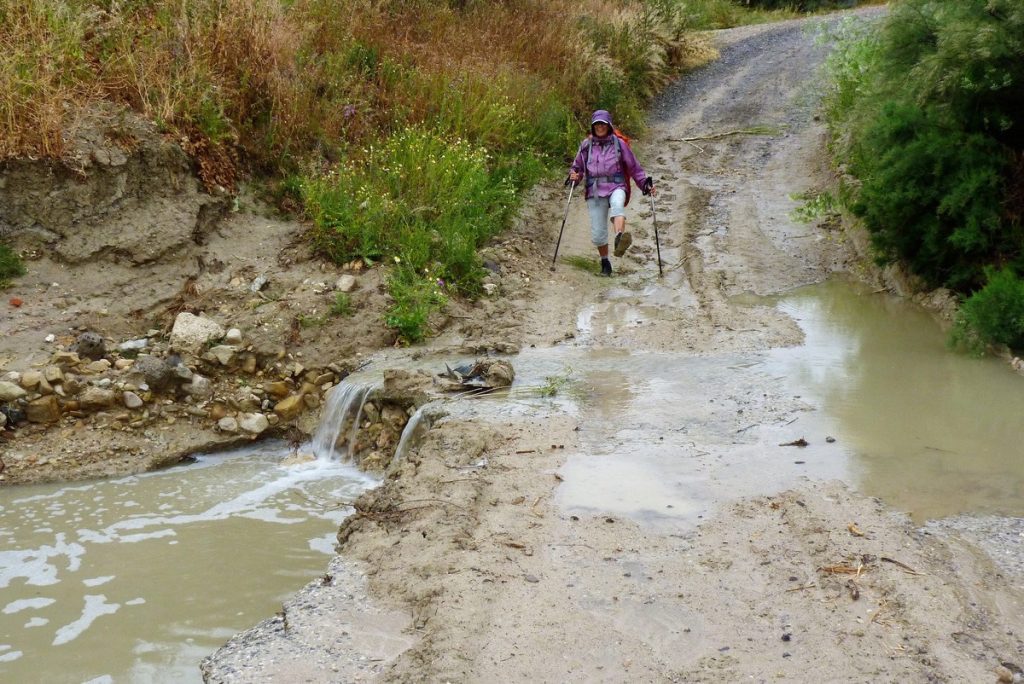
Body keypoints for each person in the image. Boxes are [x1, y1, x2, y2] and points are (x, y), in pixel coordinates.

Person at [568, 109, 654, 276]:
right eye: (597, 124)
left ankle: (619, 237)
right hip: (594, 191)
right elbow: (577, 168)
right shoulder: (586, 146)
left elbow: (634, 167)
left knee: (617, 206)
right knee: (598, 234)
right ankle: (605, 263)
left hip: (616, 185)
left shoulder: (619, 144)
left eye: (603, 124)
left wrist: (644, 184)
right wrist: (574, 176)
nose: (600, 127)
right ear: (593, 127)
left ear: (609, 126)